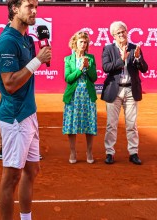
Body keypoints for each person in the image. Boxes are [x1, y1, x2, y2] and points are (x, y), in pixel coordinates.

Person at [0, 0, 51, 220]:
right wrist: (38, 60)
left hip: (28, 113)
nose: (35, 12)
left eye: (36, 7)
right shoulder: (8, 42)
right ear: (15, 9)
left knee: (32, 170)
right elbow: (11, 83)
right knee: (11, 176)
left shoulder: (25, 34)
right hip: (15, 116)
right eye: (30, 8)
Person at [101, 21, 148, 165]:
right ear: (113, 35)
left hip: (130, 89)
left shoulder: (135, 48)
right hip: (114, 90)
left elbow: (145, 69)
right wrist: (121, 60)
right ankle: (110, 152)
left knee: (132, 124)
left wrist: (138, 58)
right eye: (118, 33)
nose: (121, 34)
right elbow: (106, 67)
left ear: (127, 32)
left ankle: (133, 152)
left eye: (123, 31)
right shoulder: (108, 49)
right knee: (111, 124)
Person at [63, 31, 97, 164]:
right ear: (75, 43)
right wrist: (80, 69)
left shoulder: (91, 58)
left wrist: (88, 68)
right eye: (81, 42)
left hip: (87, 94)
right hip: (73, 95)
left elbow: (94, 78)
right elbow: (68, 78)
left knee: (89, 124)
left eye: (85, 42)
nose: (83, 44)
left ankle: (89, 151)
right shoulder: (68, 59)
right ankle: (73, 151)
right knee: (72, 124)